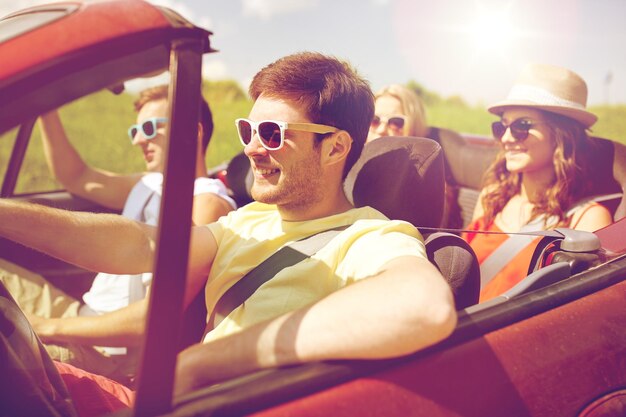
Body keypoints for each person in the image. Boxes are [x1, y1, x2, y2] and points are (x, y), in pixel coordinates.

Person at [0, 52, 457, 411]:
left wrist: (200, 362)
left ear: (335, 146)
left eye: (274, 134)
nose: (253, 148)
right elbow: (147, 244)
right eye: (248, 129)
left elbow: (424, 308)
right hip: (161, 400)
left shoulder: (371, 236)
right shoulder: (250, 219)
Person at [0, 85, 236, 382]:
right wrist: (47, 107)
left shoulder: (208, 204)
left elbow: (152, 318)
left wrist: (46, 326)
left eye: (150, 128)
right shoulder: (148, 182)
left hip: (107, 355)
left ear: (193, 132)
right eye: (135, 130)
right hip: (78, 316)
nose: (138, 139)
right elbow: (75, 176)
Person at [463, 63, 613, 302]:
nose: (507, 138)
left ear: (562, 134)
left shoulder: (586, 220)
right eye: (501, 126)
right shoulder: (491, 197)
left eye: (522, 126)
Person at [367, 84, 464, 228]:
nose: (381, 129)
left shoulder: (430, 184)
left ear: (414, 128)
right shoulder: (346, 167)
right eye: (374, 120)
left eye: (396, 123)